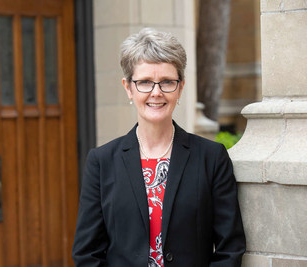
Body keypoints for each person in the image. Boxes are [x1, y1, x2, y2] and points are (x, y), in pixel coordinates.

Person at [72, 28, 246, 267]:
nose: (156, 92)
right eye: (144, 82)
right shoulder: (101, 162)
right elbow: (87, 253)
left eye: (167, 82)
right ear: (128, 88)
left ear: (180, 87)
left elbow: (230, 249)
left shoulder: (211, 158)